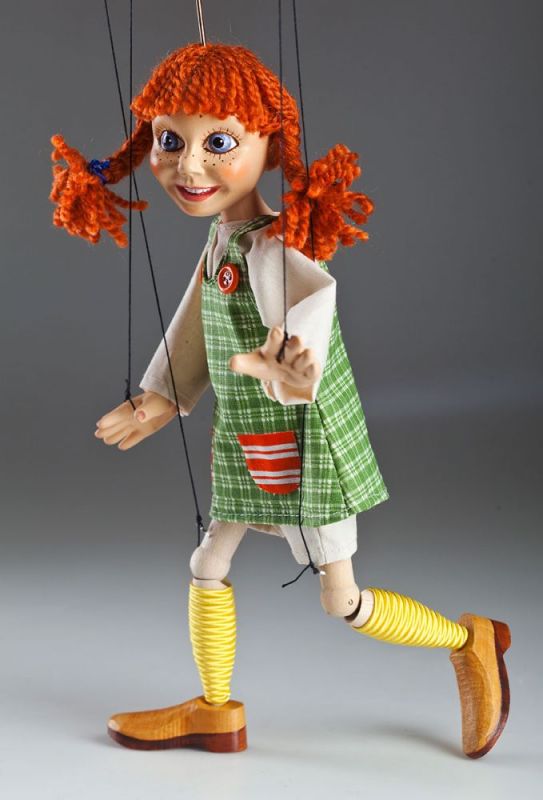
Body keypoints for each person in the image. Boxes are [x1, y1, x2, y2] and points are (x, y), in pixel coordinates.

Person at [50, 42, 510, 758]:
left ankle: (469, 640)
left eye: (219, 143)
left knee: (342, 600)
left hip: (302, 445)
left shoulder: (275, 246)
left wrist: (295, 369)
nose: (188, 166)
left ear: (272, 145)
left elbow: (315, 302)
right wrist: (160, 398)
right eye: (170, 141)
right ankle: (215, 710)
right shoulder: (223, 241)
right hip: (246, 437)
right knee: (207, 564)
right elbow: (194, 325)